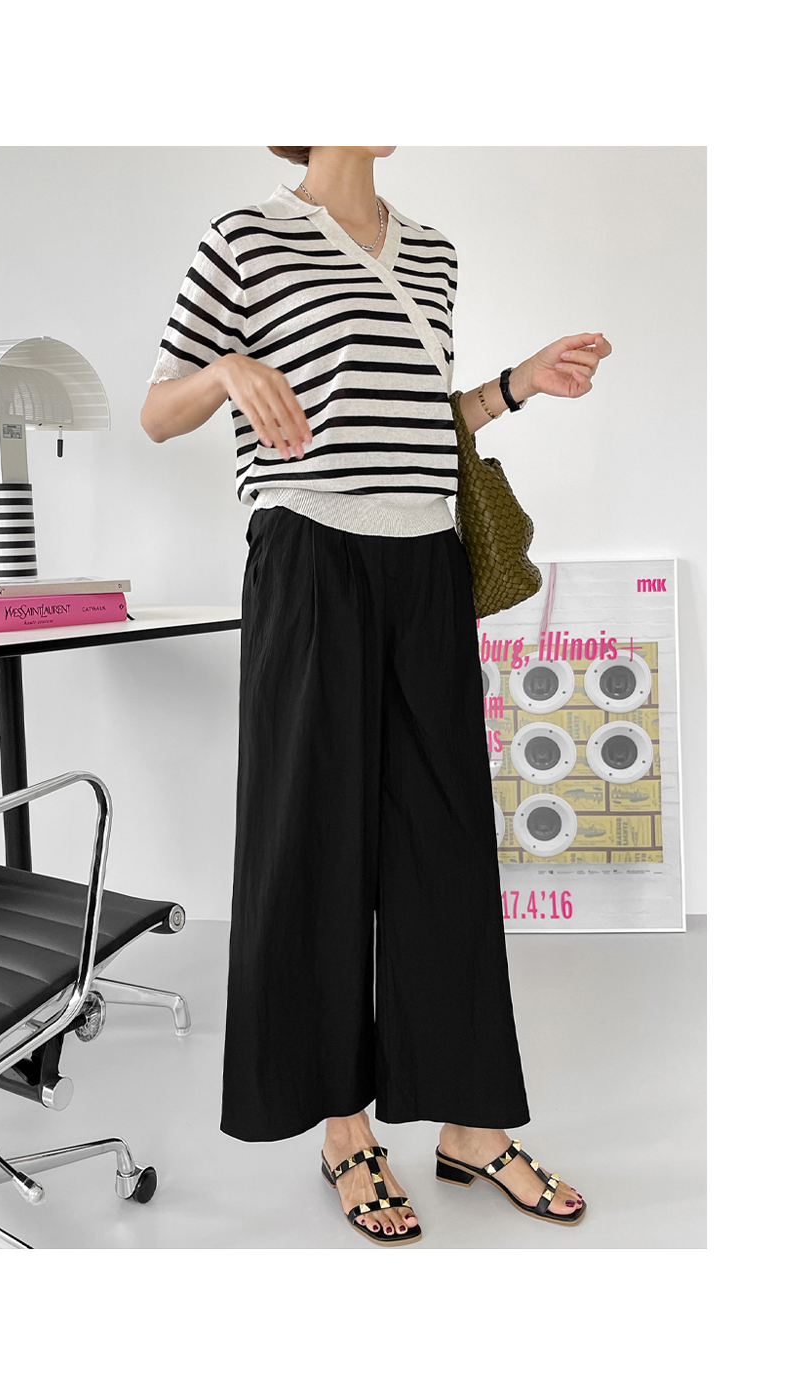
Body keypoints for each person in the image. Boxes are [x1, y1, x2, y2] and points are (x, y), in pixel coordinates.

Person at [140, 145, 611, 1245]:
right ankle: (343, 1130)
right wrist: (226, 371)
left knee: (444, 845)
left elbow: (420, 422)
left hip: (426, 562)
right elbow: (158, 410)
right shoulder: (245, 237)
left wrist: (512, 386)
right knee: (315, 842)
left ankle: (472, 1127)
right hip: (309, 556)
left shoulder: (431, 252)